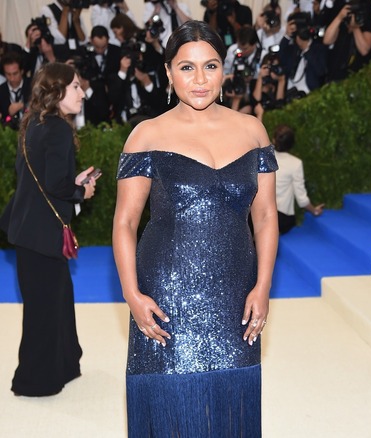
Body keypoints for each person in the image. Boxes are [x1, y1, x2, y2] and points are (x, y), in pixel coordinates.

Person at [112, 20, 278, 436]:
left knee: (231, 400)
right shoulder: (146, 135)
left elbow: (266, 216)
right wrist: (132, 294)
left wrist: (263, 286)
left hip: (236, 288)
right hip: (167, 290)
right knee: (169, 406)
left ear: (225, 70)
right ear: (168, 72)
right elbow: (126, 221)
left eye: (211, 66)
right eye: (187, 68)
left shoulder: (252, 130)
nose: (200, 79)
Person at [0, 62, 99, 396]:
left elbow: (39, 179)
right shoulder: (56, 128)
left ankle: (65, 365)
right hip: (41, 235)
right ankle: (34, 381)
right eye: (74, 87)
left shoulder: (34, 124)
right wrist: (80, 190)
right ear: (56, 92)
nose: (81, 92)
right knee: (45, 308)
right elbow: (55, 185)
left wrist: (71, 183)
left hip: (30, 232)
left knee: (56, 300)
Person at [273, 124, 324, 234]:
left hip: (258, 213)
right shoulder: (295, 164)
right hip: (281, 218)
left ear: (274, 140)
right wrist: (315, 211)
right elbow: (301, 199)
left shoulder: (265, 156)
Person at [0, 53, 32, 129]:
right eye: (8, 74)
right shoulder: (1, 90)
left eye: (15, 74)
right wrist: (7, 113)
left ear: (22, 71)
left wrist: (23, 105)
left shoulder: (32, 86)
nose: (12, 78)